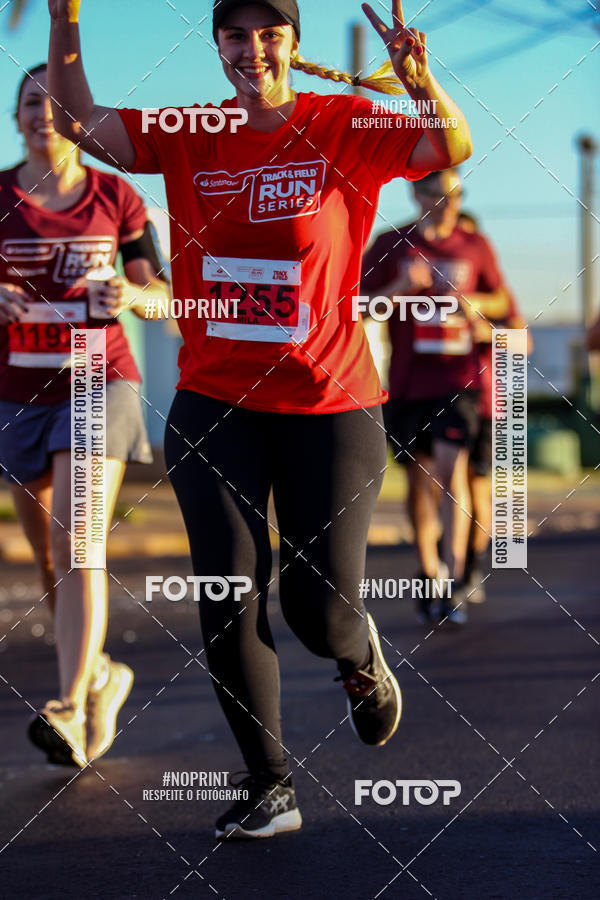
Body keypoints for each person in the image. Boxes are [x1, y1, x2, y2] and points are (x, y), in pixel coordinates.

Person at [47, 0, 472, 837]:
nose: (253, 50)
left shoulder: (342, 121)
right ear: (217, 48)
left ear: (293, 43)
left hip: (329, 402)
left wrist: (422, 80)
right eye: (235, 36)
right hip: (215, 403)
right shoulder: (190, 128)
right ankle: (269, 786)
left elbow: (446, 146)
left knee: (316, 611)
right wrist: (65, 17)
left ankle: (358, 656)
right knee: (228, 595)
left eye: (269, 32)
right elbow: (79, 118)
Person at [0, 63, 170, 768]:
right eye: (28, 103)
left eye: (54, 103)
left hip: (99, 383)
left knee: (78, 544)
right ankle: (99, 673)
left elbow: (161, 294)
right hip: (17, 393)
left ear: (76, 117)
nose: (43, 114)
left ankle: (69, 706)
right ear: (16, 119)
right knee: (48, 552)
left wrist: (127, 297)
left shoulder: (116, 195)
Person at [361, 170, 510, 625]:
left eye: (456, 195)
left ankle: (456, 578)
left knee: (453, 472)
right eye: (437, 195)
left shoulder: (474, 245)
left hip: (460, 381)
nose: (448, 204)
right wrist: (398, 290)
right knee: (419, 484)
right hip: (407, 385)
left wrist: (473, 305)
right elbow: (355, 305)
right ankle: (429, 572)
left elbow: (504, 302)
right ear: (416, 194)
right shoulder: (391, 244)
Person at [456, 211, 531, 603]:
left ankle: (471, 569)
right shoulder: (441, 289)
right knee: (443, 488)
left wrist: (490, 331)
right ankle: (443, 567)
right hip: (442, 396)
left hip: (486, 404)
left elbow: (524, 342)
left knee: (476, 487)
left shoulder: (494, 294)